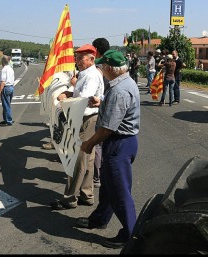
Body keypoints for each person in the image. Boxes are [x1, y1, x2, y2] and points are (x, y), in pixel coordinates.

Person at [76, 49, 140, 249]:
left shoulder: (120, 90)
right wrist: (101, 100)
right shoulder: (124, 83)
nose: (100, 69)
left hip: (118, 143)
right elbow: (117, 107)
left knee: (119, 192)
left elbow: (108, 128)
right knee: (108, 186)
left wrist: (89, 143)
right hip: (121, 142)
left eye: (102, 66)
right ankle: (100, 219)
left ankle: (131, 235)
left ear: (110, 69)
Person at [50, 44, 104, 210]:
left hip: (87, 118)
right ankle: (86, 194)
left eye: (81, 58)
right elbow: (76, 91)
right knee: (88, 159)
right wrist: (67, 93)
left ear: (91, 59)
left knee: (77, 159)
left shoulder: (92, 75)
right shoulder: (84, 73)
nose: (77, 61)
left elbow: (84, 99)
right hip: (85, 118)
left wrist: (65, 100)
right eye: (77, 57)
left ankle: (69, 198)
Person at [91, 37, 110, 188]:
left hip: (100, 106)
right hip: (109, 107)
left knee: (97, 143)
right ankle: (103, 174)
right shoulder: (112, 63)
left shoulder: (98, 66)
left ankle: (97, 177)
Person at [0, 55, 15, 126]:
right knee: (7, 104)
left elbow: (3, 82)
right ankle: (6, 119)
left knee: (6, 105)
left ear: (3, 62)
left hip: (6, 87)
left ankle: (9, 120)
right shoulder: (11, 69)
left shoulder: (4, 69)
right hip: (11, 87)